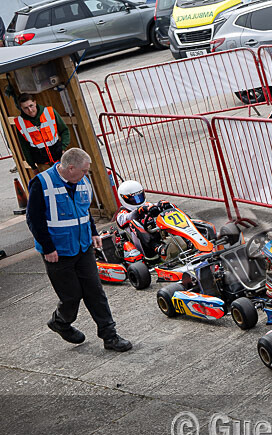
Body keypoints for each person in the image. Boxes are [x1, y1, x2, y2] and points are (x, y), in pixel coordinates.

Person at [25, 148, 132, 351]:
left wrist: (93, 233)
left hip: (82, 246)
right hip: (57, 252)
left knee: (95, 292)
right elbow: (34, 219)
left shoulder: (82, 181)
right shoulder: (42, 183)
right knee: (71, 296)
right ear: (70, 167)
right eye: (83, 171)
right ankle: (60, 321)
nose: (86, 175)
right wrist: (48, 247)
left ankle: (110, 336)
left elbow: (84, 211)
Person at [114, 179, 172, 261]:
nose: (138, 201)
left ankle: (188, 237)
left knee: (168, 211)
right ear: (124, 198)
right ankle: (158, 248)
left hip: (158, 234)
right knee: (132, 223)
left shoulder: (147, 205)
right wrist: (140, 210)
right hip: (144, 246)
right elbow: (127, 218)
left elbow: (154, 206)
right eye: (133, 199)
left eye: (139, 197)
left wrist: (163, 204)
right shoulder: (122, 214)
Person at [14, 93, 71, 172]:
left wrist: (63, 146)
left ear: (35, 102)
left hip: (60, 157)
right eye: (26, 108)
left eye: (31, 106)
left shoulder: (49, 112)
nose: (30, 110)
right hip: (41, 163)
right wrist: (33, 166)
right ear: (21, 108)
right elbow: (24, 146)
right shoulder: (19, 122)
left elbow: (64, 130)